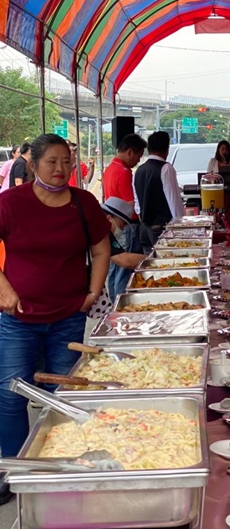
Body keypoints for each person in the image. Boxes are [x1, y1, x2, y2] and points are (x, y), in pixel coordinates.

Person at [0, 134, 110, 502]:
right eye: (52, 162)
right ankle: (13, 468)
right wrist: (4, 288)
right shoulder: (11, 203)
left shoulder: (84, 203)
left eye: (67, 161)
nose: (62, 169)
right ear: (32, 164)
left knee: (61, 395)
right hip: (19, 318)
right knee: (11, 394)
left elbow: (100, 247)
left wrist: (93, 293)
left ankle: (62, 466)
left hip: (67, 317)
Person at [102, 133, 147, 299]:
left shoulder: (110, 168)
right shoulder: (124, 171)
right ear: (130, 152)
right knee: (124, 271)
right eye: (138, 156)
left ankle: (114, 303)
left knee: (114, 270)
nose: (138, 161)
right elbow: (130, 203)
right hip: (124, 224)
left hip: (114, 223)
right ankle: (120, 305)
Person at [134, 131, 184, 254]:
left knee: (151, 265)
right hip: (162, 229)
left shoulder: (138, 170)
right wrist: (181, 228)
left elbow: (137, 205)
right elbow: (174, 202)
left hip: (144, 230)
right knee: (167, 265)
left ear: (149, 149)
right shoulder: (166, 168)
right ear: (167, 149)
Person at [101, 198, 146, 271]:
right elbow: (125, 261)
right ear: (109, 219)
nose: (121, 230)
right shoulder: (101, 232)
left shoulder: (104, 230)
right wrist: (153, 259)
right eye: (121, 225)